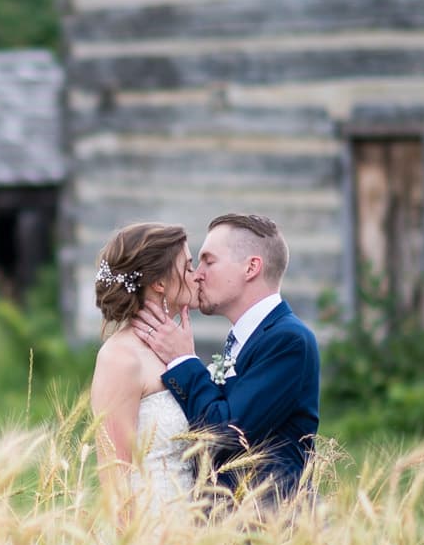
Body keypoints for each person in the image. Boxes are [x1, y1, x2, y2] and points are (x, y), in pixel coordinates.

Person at [133, 212, 321, 501]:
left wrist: (183, 360)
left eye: (209, 261)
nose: (198, 274)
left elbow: (226, 431)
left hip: (270, 527)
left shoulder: (288, 340)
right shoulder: (246, 338)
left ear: (251, 268)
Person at [86, 221, 200, 516]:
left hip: (195, 530)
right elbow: (114, 476)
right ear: (160, 283)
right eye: (188, 267)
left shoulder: (176, 350)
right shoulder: (120, 359)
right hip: (151, 534)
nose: (197, 275)